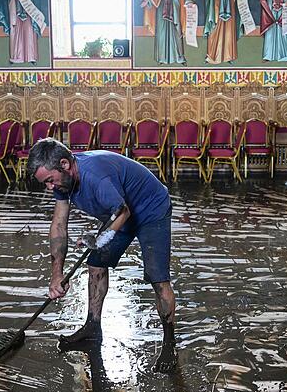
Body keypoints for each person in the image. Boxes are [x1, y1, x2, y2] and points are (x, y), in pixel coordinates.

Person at [27, 138, 177, 373]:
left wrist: (99, 240)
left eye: (49, 181)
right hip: (119, 211)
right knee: (95, 263)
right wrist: (56, 275)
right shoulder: (63, 182)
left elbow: (122, 212)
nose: (50, 188)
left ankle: (169, 343)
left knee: (158, 278)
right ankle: (92, 327)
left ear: (65, 164)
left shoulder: (96, 178)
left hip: (150, 210)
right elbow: (58, 226)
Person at [140, 0, 195, 65]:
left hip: (174, 4)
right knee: (162, 33)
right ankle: (162, 57)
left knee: (177, 32)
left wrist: (188, 0)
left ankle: (179, 57)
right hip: (161, 5)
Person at [0, 0, 46, 64]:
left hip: (27, 3)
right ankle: (16, 56)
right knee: (15, 27)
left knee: (29, 28)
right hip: (14, 2)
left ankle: (31, 56)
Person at [203, 0, 246, 65]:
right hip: (215, 8)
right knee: (214, 30)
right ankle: (211, 56)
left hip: (230, 5)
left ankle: (228, 56)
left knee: (229, 31)